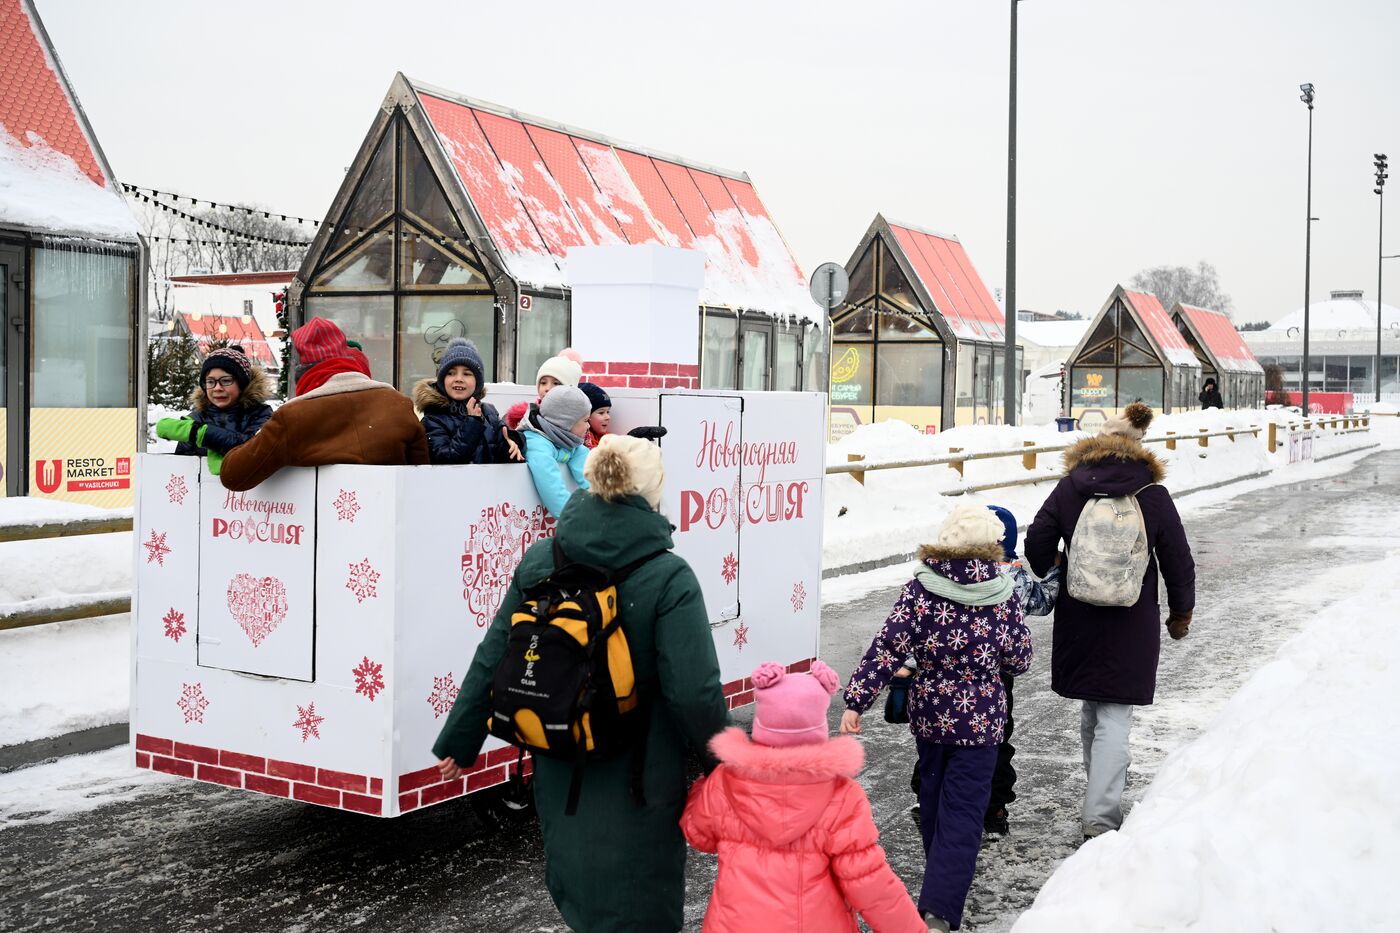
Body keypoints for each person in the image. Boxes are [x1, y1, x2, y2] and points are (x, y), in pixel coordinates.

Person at [433, 434, 729, 933]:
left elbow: (497, 653)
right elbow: (693, 691)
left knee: (581, 891)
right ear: (652, 495)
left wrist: (461, 739)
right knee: (641, 899)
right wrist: (725, 766)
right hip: (639, 770)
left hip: (558, 754)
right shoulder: (668, 575)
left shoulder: (543, 558)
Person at [842, 505, 1033, 932]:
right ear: (991, 546)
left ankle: (940, 891)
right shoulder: (1002, 593)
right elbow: (1020, 660)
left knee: (933, 804)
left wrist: (856, 700)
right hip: (983, 720)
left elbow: (887, 646)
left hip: (931, 717)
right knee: (964, 813)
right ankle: (941, 909)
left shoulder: (921, 589)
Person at [1023, 402, 1195, 841]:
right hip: (1131, 616)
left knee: (1092, 708)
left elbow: (1038, 539)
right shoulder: (1151, 494)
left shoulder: (1071, 487)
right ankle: (1100, 814)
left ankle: (1097, 794)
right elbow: (1176, 557)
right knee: (1115, 712)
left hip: (1080, 613)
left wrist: (1055, 564)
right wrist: (1180, 612)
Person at [681, 660, 924, 933]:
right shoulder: (841, 796)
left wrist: (702, 789)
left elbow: (699, 835)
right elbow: (869, 880)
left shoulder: (724, 784)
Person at [219, 318, 429, 491]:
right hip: (389, 529)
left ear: (303, 372)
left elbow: (233, 475)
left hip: (324, 531)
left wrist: (259, 436)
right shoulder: (398, 404)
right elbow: (422, 475)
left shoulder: (293, 417)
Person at [156, 344, 273, 475]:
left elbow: (252, 450)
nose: (217, 388)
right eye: (210, 382)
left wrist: (203, 434)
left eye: (226, 380)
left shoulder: (262, 414)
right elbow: (182, 469)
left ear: (241, 384)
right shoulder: (196, 418)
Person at [413, 337, 523, 464]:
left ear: (477, 381)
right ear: (442, 380)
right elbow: (445, 458)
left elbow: (499, 456)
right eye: (451, 373)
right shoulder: (434, 418)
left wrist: (511, 444)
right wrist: (472, 423)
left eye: (467, 374)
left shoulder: (488, 412)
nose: (458, 379)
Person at [521, 384, 592, 518]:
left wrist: (604, 501)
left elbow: (589, 472)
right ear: (565, 422)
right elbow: (550, 486)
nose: (589, 426)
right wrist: (575, 517)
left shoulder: (569, 442)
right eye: (585, 420)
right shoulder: (536, 443)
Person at [504, 351, 584, 431]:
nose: (547, 388)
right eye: (543, 383)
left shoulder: (580, 423)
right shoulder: (524, 419)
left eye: (556, 383)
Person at [578, 381, 612, 450]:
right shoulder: (582, 442)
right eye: (601, 413)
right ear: (586, 415)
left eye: (608, 412)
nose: (608, 417)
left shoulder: (606, 438)